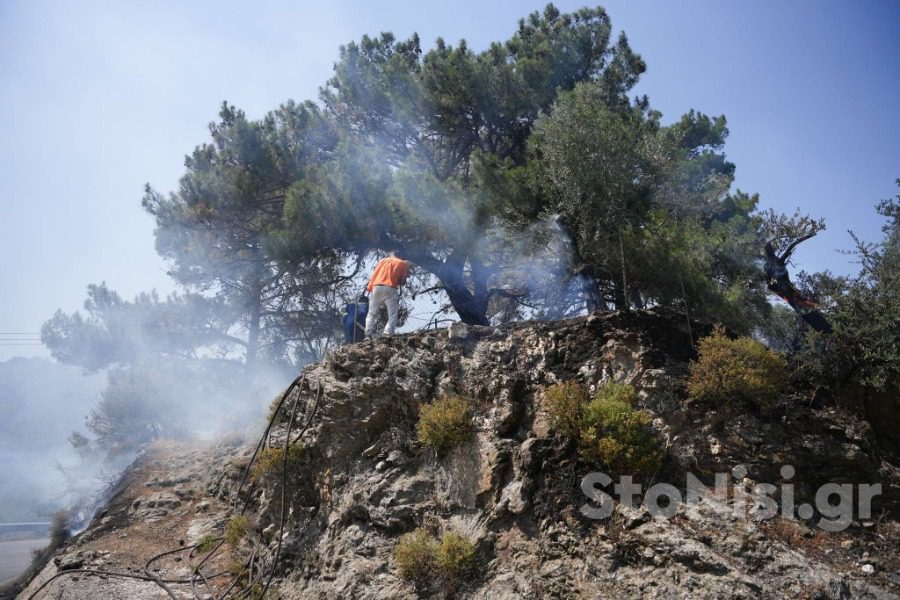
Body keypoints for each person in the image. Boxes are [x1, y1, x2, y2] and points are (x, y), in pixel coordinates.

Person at [365, 250, 410, 337]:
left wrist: (370, 287)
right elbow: (402, 282)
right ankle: (387, 333)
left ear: (391, 255)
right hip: (390, 288)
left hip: (376, 287)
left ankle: (368, 334)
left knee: (371, 313)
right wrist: (406, 273)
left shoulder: (382, 261)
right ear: (399, 255)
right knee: (392, 314)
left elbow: (375, 274)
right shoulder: (402, 263)